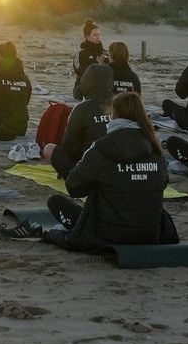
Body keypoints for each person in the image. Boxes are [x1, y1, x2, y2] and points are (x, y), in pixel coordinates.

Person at [41, 91, 179, 251]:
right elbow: (162, 184)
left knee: (55, 202)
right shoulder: (155, 149)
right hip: (149, 233)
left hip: (108, 235)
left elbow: (74, 187)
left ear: (114, 114)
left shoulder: (102, 148)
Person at [50, 63, 116, 175]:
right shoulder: (123, 104)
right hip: (118, 166)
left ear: (86, 81)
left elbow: (69, 145)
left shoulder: (82, 108)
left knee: (49, 149)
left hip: (88, 168)